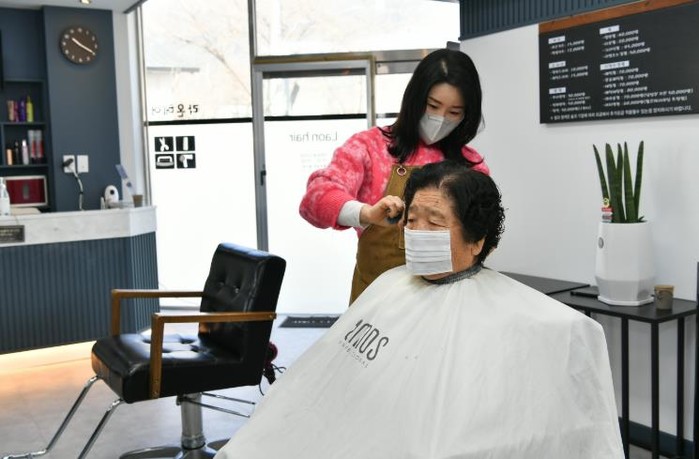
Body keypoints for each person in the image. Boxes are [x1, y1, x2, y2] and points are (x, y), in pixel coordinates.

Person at [216, 162, 624, 459]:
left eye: (436, 222)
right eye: (411, 220)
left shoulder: (524, 319)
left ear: (477, 240)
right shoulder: (390, 285)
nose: (418, 232)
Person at [299, 48, 490, 303]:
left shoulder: (471, 166)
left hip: (445, 301)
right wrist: (367, 214)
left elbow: (484, 231)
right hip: (375, 298)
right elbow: (315, 200)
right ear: (415, 99)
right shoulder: (369, 147)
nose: (440, 119)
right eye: (433, 106)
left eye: (454, 112)